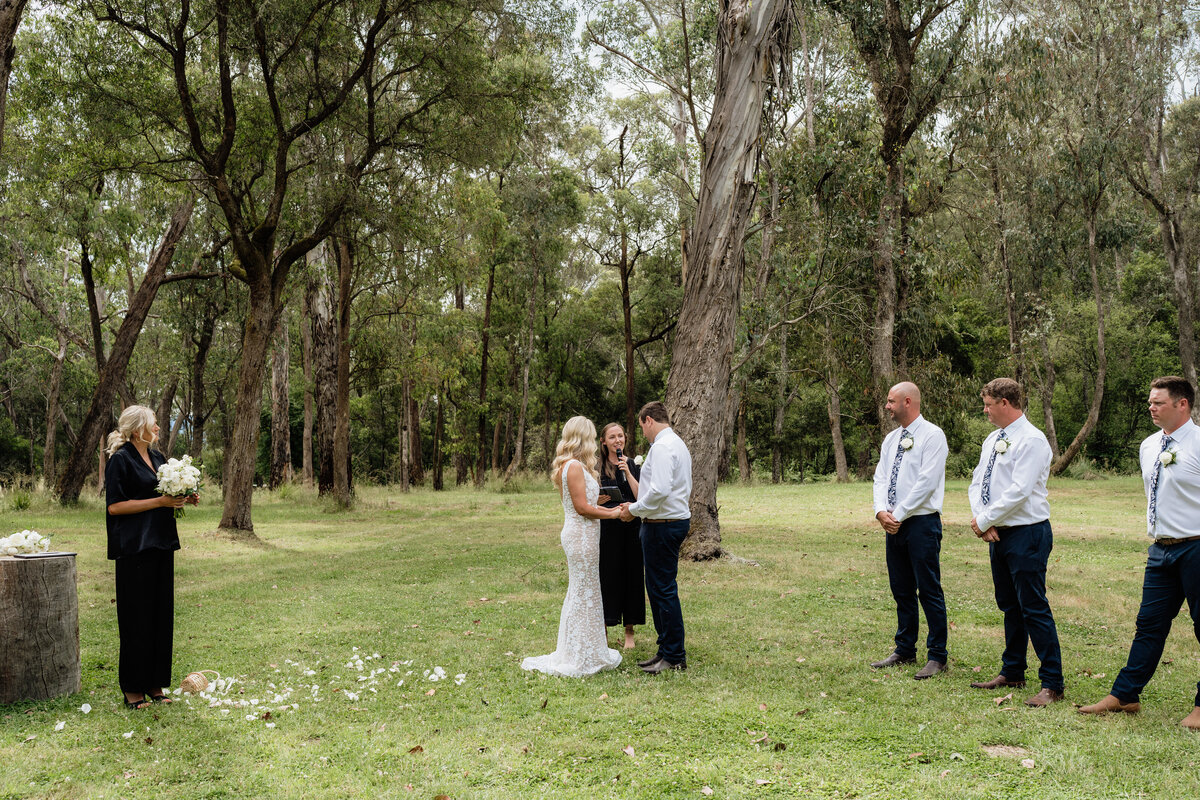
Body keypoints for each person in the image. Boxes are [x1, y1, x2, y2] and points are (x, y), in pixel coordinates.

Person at [1079, 376, 1200, 730]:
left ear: (1182, 405)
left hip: (1196, 547)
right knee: (1148, 626)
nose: (1151, 407)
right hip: (1161, 550)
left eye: (1159, 402)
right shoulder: (1148, 445)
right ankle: (1126, 695)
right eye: (1150, 401)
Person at [967, 378, 1065, 707]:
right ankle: (1013, 670)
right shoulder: (993, 439)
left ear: (1005, 403)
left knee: (1033, 607)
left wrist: (984, 520)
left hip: (1027, 532)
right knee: (1009, 605)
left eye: (988, 404)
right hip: (999, 532)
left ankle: (1052, 683)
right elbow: (977, 481)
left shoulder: (1033, 440)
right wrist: (982, 518)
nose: (985, 410)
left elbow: (1020, 491)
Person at [105, 405, 196, 709]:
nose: (158, 429)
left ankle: (155, 684)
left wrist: (184, 495)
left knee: (159, 616)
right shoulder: (120, 460)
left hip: (160, 544)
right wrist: (160, 501)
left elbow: (166, 496)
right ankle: (133, 689)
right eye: (154, 425)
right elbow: (114, 507)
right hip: (134, 548)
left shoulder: (158, 458)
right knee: (136, 618)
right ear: (137, 429)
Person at [521, 416, 623, 677]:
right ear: (583, 437)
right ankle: (578, 654)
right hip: (581, 535)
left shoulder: (571, 466)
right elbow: (581, 509)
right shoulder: (574, 466)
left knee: (587, 589)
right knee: (582, 591)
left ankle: (587, 648)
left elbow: (585, 504)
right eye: (590, 436)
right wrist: (613, 514)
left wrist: (605, 505)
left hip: (584, 533)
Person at [869, 382, 950, 680]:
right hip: (892, 523)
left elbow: (926, 482)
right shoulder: (891, 440)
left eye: (891, 401)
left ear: (907, 401)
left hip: (921, 523)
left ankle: (937, 655)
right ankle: (904, 648)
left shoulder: (932, 436)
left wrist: (898, 515)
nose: (887, 406)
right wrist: (881, 512)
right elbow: (880, 477)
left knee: (928, 588)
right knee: (901, 588)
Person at [619, 401, 692, 674]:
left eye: (643, 428)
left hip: (663, 524)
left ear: (648, 420)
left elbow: (659, 490)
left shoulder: (662, 447)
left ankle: (674, 655)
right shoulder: (677, 444)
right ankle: (665, 650)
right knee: (659, 589)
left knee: (663, 590)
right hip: (667, 521)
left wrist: (634, 510)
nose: (644, 434)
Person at [597, 422, 645, 650]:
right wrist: (596, 501)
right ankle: (604, 629)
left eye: (621, 436)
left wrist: (628, 471)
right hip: (608, 529)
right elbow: (587, 499)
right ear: (603, 441)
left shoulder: (632, 464)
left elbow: (641, 496)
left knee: (632, 578)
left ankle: (629, 632)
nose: (618, 440)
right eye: (612, 437)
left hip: (632, 528)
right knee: (608, 578)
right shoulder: (596, 466)